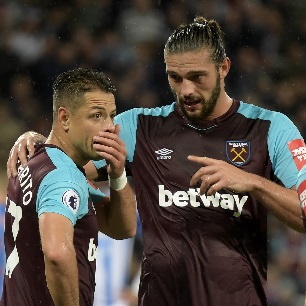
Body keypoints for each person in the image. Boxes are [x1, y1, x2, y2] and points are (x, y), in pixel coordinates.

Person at [6, 17, 306, 306]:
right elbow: (65, 163)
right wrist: (38, 141)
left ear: (224, 67)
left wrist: (252, 183)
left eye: (197, 77)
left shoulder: (270, 128)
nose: (186, 90)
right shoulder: (139, 126)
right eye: (175, 78)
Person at [2, 68, 137, 306]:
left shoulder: (37, 158)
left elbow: (122, 229)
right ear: (64, 118)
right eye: (96, 116)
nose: (108, 127)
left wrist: (117, 175)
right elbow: (57, 254)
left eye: (111, 115)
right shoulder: (63, 177)